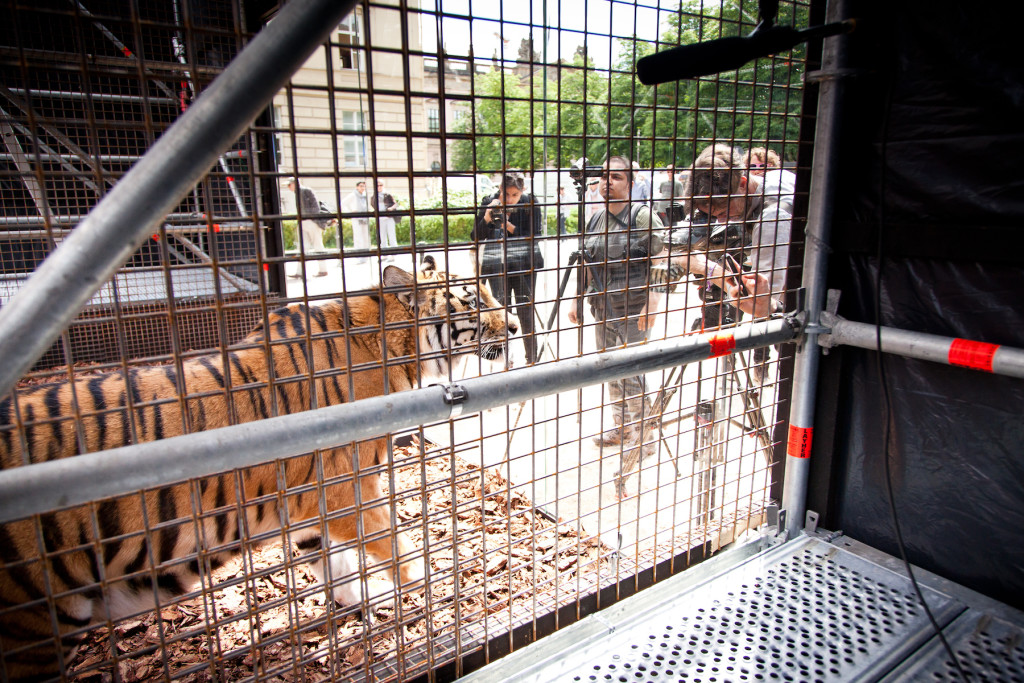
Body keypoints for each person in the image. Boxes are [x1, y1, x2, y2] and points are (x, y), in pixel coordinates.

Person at [567, 156, 666, 449]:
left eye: (617, 177)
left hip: (634, 308)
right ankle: (622, 428)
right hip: (602, 308)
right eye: (604, 177)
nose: (607, 182)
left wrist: (654, 301)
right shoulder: (596, 217)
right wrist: (576, 298)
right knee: (610, 370)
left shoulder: (642, 216)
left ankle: (644, 438)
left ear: (631, 184)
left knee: (632, 373)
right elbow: (586, 261)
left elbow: (663, 258)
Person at [471, 170, 545, 365]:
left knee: (526, 313)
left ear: (523, 191)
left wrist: (507, 226)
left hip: (524, 265)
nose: (510, 199)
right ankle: (507, 360)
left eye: (515, 195)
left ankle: (532, 360)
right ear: (500, 189)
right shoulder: (490, 201)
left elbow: (535, 236)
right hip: (496, 265)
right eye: (506, 194)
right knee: (502, 314)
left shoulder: (530, 203)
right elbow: (475, 236)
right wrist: (487, 217)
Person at [286, 177, 331, 277]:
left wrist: (312, 219)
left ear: (294, 184)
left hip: (310, 221)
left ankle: (321, 270)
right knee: (306, 247)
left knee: (316, 246)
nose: (288, 187)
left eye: (289, 185)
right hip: (305, 221)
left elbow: (315, 207)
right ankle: (302, 272)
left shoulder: (305, 191)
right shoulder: (300, 192)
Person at [341, 181, 370, 259]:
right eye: (361, 186)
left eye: (364, 186)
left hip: (365, 218)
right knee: (358, 236)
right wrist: (350, 212)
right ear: (357, 187)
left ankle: (366, 254)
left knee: (365, 236)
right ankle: (359, 255)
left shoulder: (364, 195)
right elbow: (343, 203)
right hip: (357, 218)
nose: (362, 188)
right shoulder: (353, 195)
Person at [373, 179, 398, 257]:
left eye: (381, 185)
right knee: (382, 237)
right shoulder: (374, 196)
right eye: (378, 185)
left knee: (391, 236)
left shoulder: (387, 195)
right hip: (380, 218)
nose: (379, 187)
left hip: (389, 217)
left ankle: (393, 254)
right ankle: (384, 255)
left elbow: (395, 204)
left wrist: (390, 209)